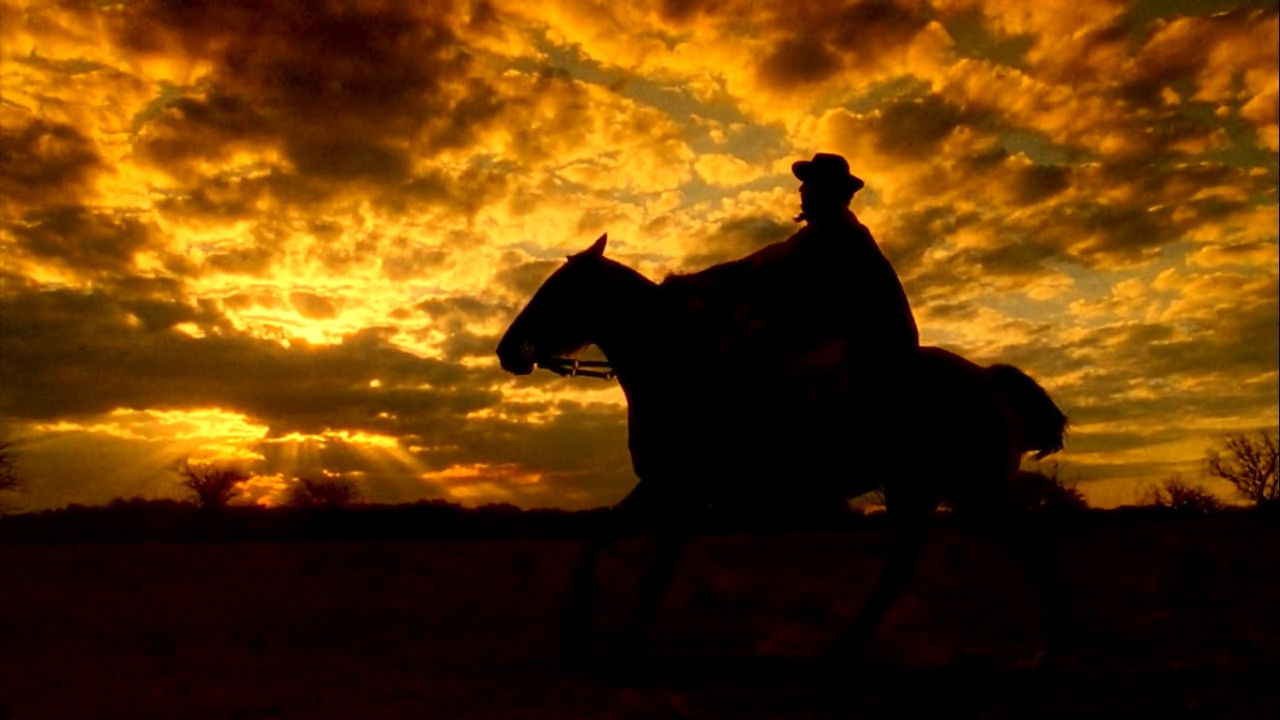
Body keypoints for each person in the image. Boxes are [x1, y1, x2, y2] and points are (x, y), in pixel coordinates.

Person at [665, 153, 918, 412]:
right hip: (868, 343)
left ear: (826, 190)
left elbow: (761, 265)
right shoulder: (832, 232)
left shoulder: (834, 233)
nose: (801, 189)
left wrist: (690, 284)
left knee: (759, 358)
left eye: (809, 183)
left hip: (869, 351)